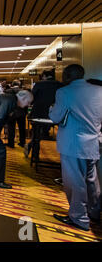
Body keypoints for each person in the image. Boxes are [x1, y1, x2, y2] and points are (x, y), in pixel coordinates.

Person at [50, 65, 101, 232]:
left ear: (67, 76)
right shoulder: (98, 90)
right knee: (91, 180)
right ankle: (94, 211)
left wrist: (51, 110)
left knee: (75, 182)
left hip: (73, 143)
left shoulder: (64, 92)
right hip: (94, 141)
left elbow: (56, 116)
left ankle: (79, 218)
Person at [25, 70, 63, 157]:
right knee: (44, 131)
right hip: (53, 114)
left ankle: (35, 154)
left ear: (44, 76)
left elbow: (32, 98)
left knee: (36, 135)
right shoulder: (59, 85)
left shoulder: (39, 84)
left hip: (38, 112)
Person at [6, 80, 27, 148]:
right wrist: (25, 112)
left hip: (12, 112)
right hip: (21, 112)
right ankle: (22, 142)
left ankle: (11, 143)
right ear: (19, 84)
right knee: (22, 128)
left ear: (12, 84)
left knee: (11, 128)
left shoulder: (8, 91)